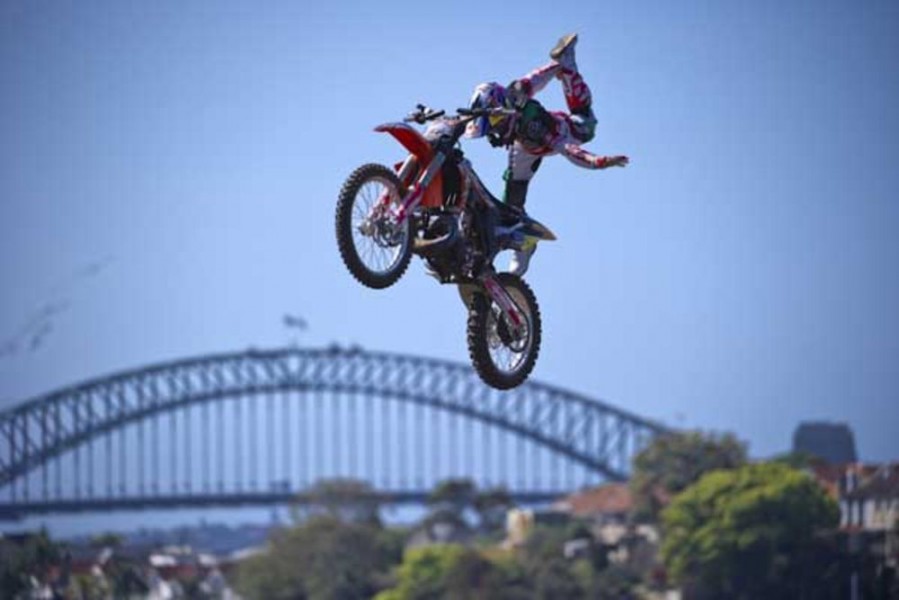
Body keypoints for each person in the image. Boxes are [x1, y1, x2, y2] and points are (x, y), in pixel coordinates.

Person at [465, 34, 629, 276]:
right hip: (524, 147)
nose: (495, 134)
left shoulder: (537, 126)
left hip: (564, 132)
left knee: (586, 121)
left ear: (505, 114)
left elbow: (566, 148)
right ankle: (520, 249)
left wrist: (598, 162)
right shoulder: (516, 93)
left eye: (496, 127)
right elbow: (536, 78)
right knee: (511, 204)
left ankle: (568, 60)